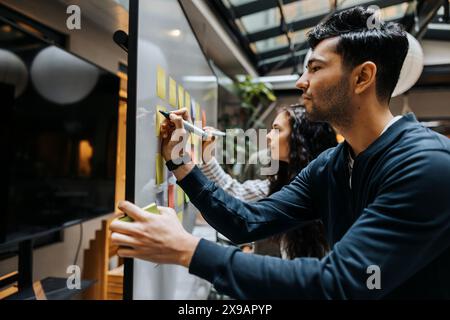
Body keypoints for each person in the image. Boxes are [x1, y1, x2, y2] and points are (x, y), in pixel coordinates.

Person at [110, 7, 450, 299]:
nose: (301, 82)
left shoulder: (426, 165)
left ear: (362, 77)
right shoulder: (332, 165)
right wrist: (181, 163)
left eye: (315, 68)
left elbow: (338, 283)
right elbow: (247, 221)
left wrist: (187, 250)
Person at [200, 105, 337, 259]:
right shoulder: (283, 184)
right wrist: (207, 157)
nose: (268, 136)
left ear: (299, 138)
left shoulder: (329, 189)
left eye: (277, 130)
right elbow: (237, 193)